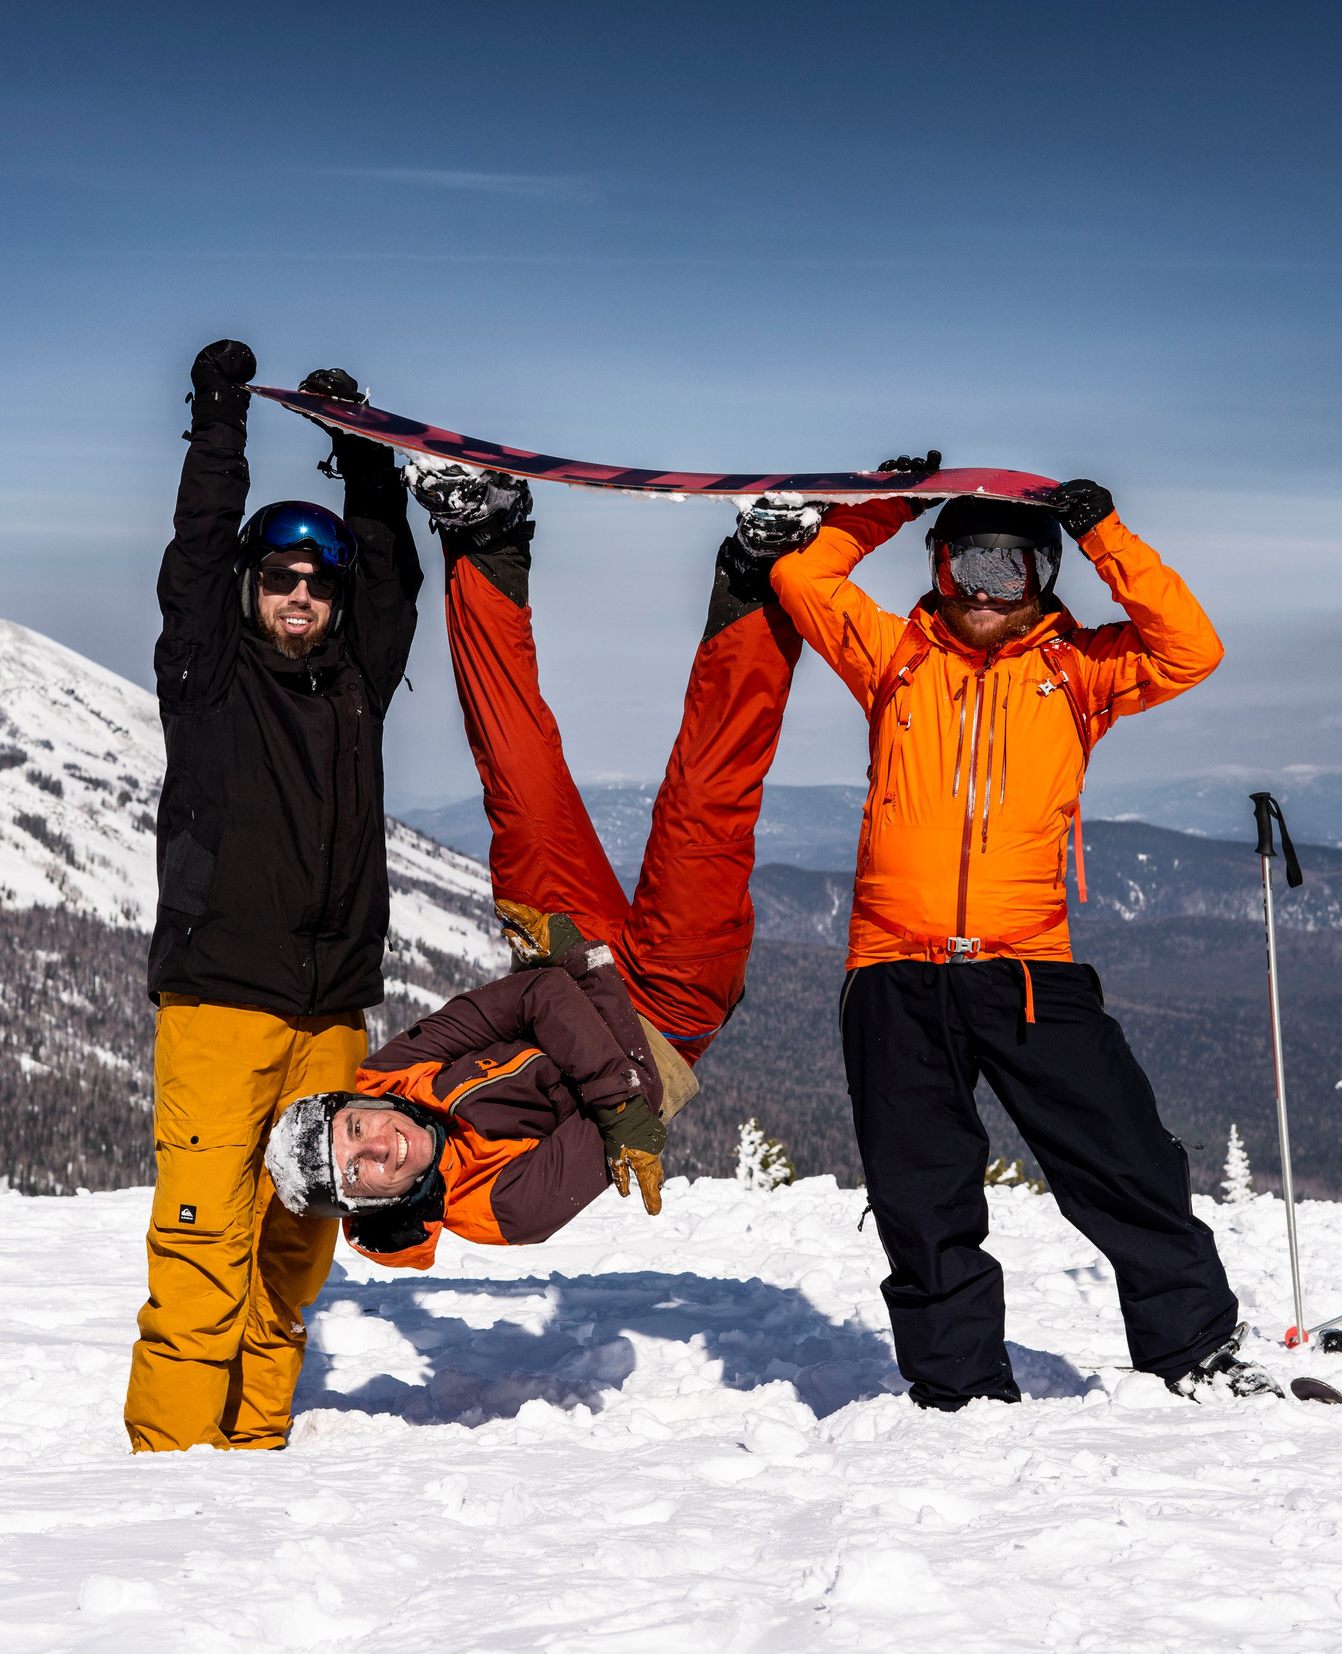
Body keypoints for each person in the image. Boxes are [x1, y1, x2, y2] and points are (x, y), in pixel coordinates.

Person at [769, 472, 1279, 1407]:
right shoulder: (894, 658)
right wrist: (886, 506)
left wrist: (1107, 537)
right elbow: (804, 577)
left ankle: (1194, 1349)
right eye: (967, 563)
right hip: (892, 971)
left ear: (1044, 575)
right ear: (938, 566)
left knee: (1125, 1159)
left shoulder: (1076, 672)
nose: (984, 590)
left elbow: (1190, 648)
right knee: (922, 1196)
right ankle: (958, 1386)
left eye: (1011, 568)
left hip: (1030, 967)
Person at [124, 341, 426, 1452]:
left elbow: (394, 573)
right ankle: (167, 1476)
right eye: (280, 578)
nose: (300, 594)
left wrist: (365, 452)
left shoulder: (355, 683)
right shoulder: (208, 677)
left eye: (317, 583)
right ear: (253, 590)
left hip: (331, 1010)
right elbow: (196, 551)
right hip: (218, 1002)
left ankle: (253, 1461)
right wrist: (220, 425)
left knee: (297, 1244)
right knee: (204, 1250)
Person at [411, 465, 822, 1075]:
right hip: (667, 1016)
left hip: (563, 979)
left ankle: (486, 541)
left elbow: (413, 1062)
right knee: (704, 803)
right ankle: (760, 576)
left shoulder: (406, 1134)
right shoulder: (541, 1168)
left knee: (520, 788)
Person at [264, 937, 686, 1270]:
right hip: (662, 1030)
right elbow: (642, 1098)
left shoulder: (391, 1074)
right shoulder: (506, 1209)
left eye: (356, 1128)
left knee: (528, 846)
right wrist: (583, 967)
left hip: (587, 977)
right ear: (368, 1207)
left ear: (362, 1104)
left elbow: (539, 992)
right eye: (357, 1171)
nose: (379, 1146)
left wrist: (577, 972)